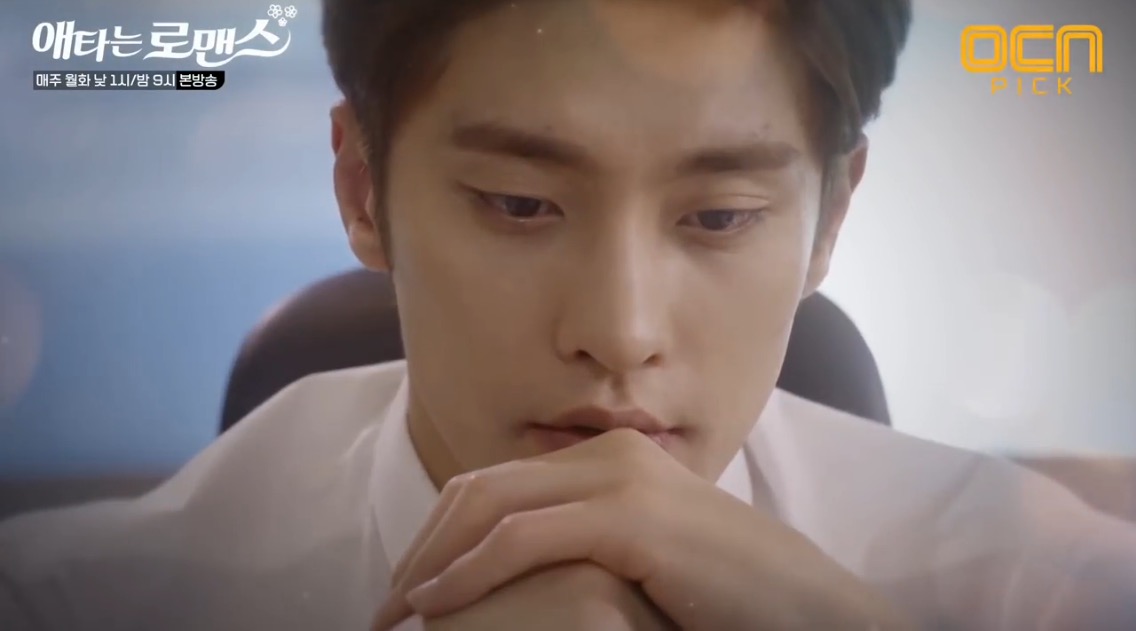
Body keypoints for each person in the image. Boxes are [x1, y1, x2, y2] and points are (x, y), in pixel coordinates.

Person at [3, 0, 1135, 629]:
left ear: (830, 218)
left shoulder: (1033, 588)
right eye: (518, 203)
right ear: (362, 191)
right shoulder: (75, 601)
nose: (621, 329)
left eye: (720, 216)